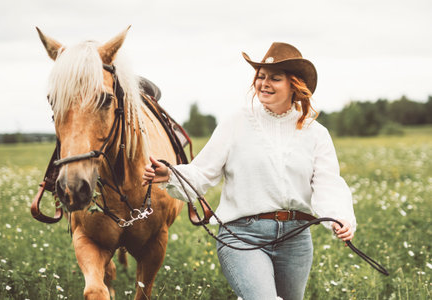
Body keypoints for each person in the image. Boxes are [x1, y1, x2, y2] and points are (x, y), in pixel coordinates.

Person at [142, 42, 356, 300]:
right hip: (243, 235)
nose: (264, 83)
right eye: (260, 76)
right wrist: (171, 174)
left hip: (296, 239)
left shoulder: (316, 133)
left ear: (294, 85)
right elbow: (203, 172)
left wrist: (339, 216)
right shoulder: (236, 122)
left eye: (274, 78)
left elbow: (327, 183)